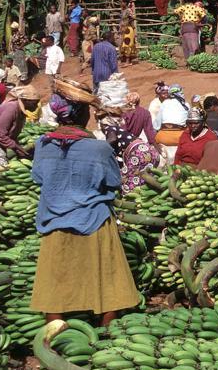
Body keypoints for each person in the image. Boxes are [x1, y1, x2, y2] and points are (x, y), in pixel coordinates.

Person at [29, 93, 139, 325]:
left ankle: (54, 329)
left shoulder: (43, 144)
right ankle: (107, 327)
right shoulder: (99, 149)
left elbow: (38, 178)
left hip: (54, 219)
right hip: (94, 220)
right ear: (84, 114)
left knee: (55, 279)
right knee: (107, 277)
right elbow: (113, 182)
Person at [0, 87, 40, 172]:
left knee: (4, 165)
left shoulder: (20, 111)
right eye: (34, 103)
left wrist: (18, 148)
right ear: (25, 101)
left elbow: (11, 134)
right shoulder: (11, 108)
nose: (36, 106)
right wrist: (16, 147)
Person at [100, 116, 161, 193]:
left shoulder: (109, 128)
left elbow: (112, 139)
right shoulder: (121, 132)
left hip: (139, 153)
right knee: (144, 180)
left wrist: (100, 147)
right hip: (152, 152)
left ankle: (128, 200)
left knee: (127, 180)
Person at [154, 85, 189, 161]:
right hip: (180, 138)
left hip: (163, 138)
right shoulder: (186, 105)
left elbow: (156, 126)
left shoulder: (164, 103)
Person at [119, 0, 137, 66]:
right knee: (122, 44)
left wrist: (129, 22)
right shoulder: (122, 11)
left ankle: (128, 60)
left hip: (128, 29)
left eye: (122, 2)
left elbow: (133, 17)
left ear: (125, 3)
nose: (121, 4)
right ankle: (122, 59)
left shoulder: (128, 10)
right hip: (122, 30)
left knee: (128, 44)